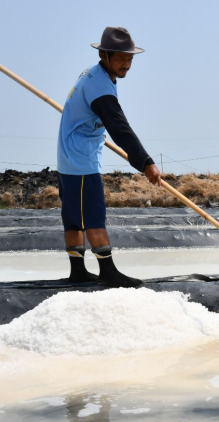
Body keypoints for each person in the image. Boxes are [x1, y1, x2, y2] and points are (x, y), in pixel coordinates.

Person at [56, 26, 162, 287]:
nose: (126, 65)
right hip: (81, 161)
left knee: (75, 218)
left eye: (130, 60)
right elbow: (119, 127)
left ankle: (78, 271)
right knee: (92, 216)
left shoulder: (94, 75)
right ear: (104, 55)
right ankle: (107, 271)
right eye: (120, 59)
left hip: (72, 155)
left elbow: (100, 119)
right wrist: (146, 162)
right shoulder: (101, 87)